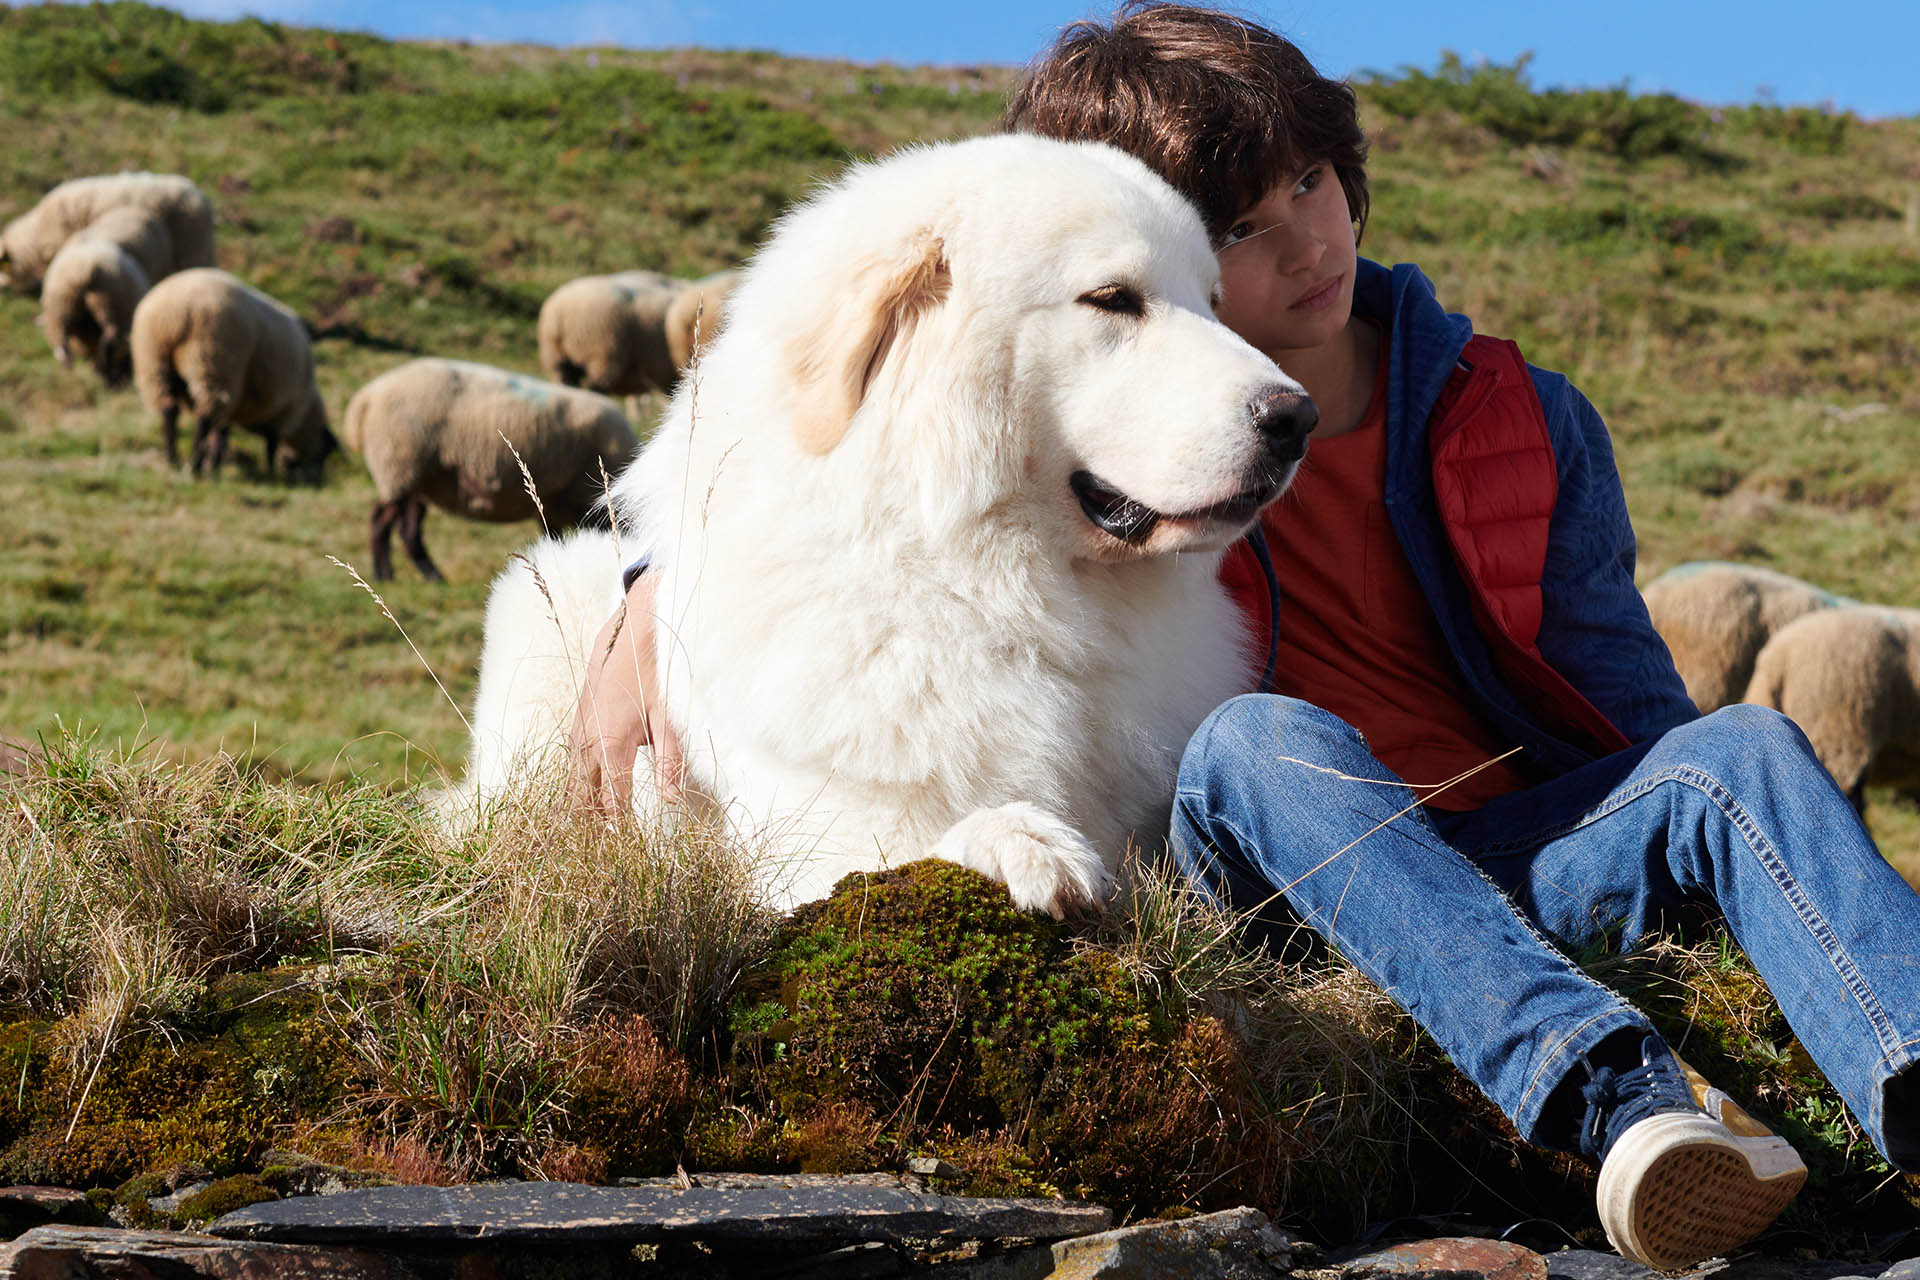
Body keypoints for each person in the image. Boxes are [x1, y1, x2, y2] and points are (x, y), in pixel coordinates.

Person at [568, 4, 1920, 1267]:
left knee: (1736, 748)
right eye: (1242, 226)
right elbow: (808, 429)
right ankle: (1629, 1109)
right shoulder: (1145, 433)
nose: (1307, 243)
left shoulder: (1521, 412)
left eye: (1312, 185)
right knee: (1258, 738)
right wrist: (646, 585)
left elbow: (1617, 698)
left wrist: (1708, 863)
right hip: (1286, 873)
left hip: (1504, 854)